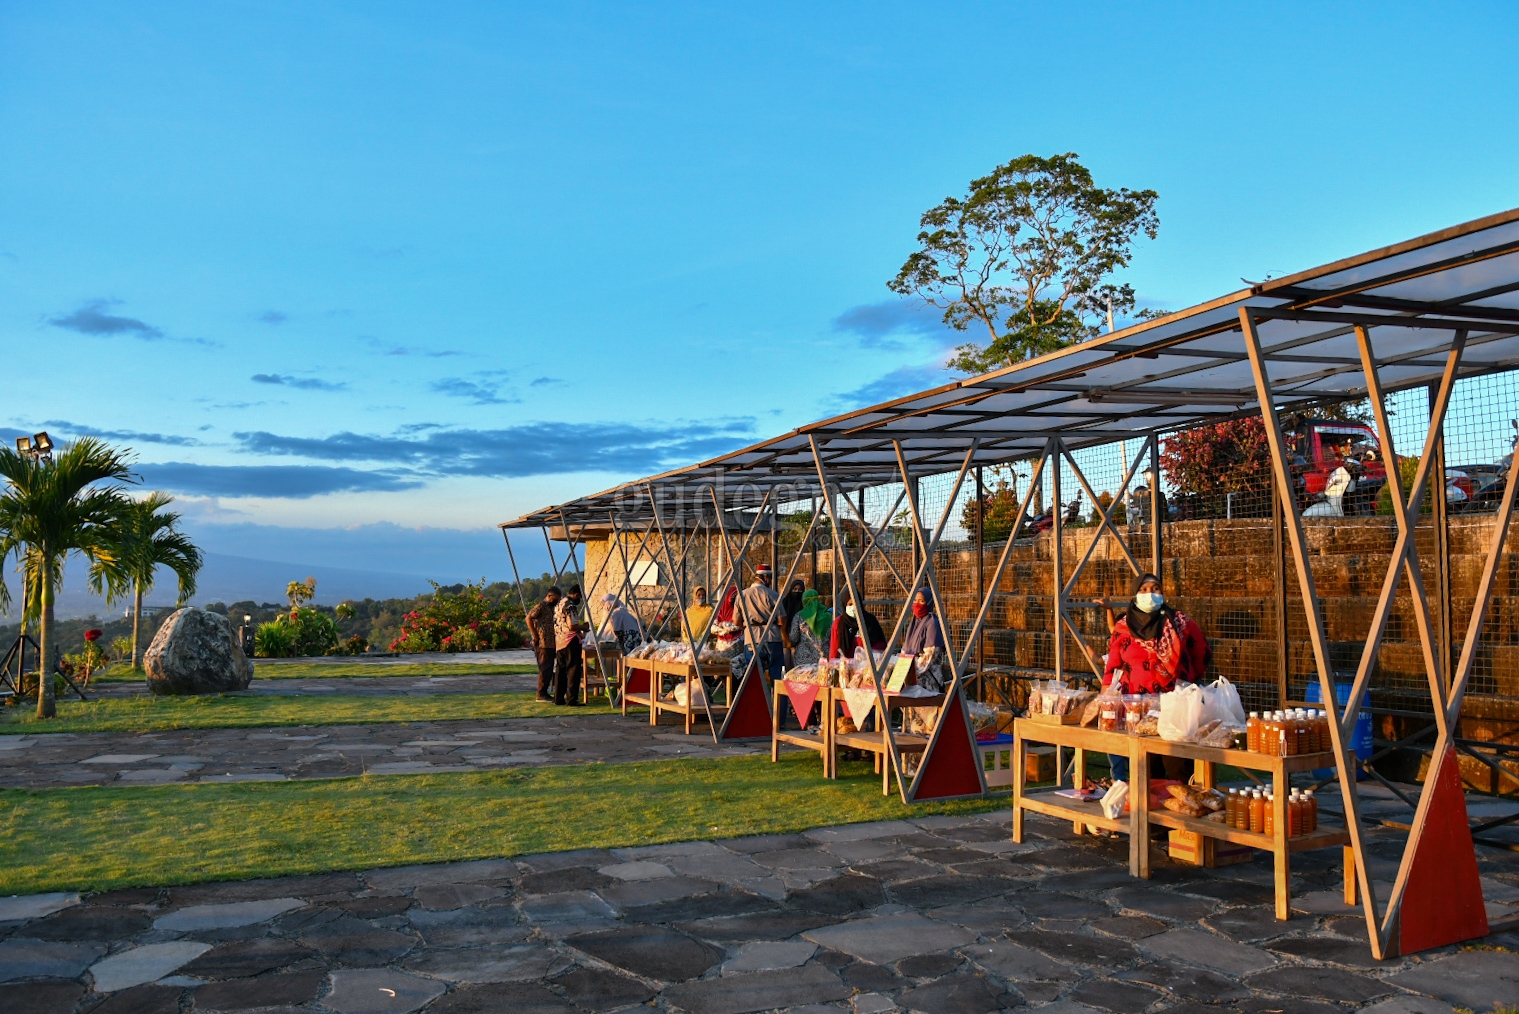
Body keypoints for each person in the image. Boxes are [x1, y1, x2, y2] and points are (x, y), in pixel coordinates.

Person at [1099, 572, 1210, 781]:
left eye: (1155, 589)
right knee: (1146, 769)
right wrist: (1106, 698)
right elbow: (1112, 665)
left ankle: (1186, 807)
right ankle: (1149, 811)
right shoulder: (1123, 627)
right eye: (1143, 590)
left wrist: (1189, 679)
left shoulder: (1180, 623)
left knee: (1178, 765)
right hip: (1137, 710)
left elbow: (1201, 653)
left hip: (1175, 707)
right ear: (1135, 595)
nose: (1150, 594)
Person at [735, 564, 785, 683]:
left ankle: (755, 701)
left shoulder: (742, 595)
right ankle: (779, 701)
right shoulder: (773, 595)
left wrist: (747, 626)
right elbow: (782, 619)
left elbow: (736, 621)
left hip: (751, 638)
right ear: (766, 577)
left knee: (753, 677)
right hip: (772, 637)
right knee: (777, 675)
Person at [901, 587, 947, 691]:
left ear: (929, 603)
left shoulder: (932, 624)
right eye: (915, 600)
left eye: (922, 601)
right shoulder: (914, 624)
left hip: (927, 683)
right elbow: (905, 650)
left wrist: (909, 669)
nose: (917, 604)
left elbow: (930, 656)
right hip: (911, 681)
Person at [553, 584, 590, 706]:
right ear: (576, 594)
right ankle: (572, 699)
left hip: (559, 640)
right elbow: (572, 626)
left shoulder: (559, 604)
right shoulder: (570, 605)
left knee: (560, 670)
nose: (579, 599)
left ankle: (558, 697)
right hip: (570, 640)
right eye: (579, 596)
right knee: (573, 670)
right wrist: (583, 627)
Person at [526, 586, 562, 703]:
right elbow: (528, 618)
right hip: (543, 642)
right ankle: (541, 693)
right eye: (555, 598)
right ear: (549, 596)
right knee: (545, 668)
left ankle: (544, 691)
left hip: (552, 642)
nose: (557, 601)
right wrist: (535, 635)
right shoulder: (541, 606)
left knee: (549, 668)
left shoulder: (552, 608)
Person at [829, 589, 886, 658]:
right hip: (846, 665)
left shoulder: (870, 620)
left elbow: (881, 643)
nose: (853, 607)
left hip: (867, 664)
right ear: (845, 605)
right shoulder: (839, 623)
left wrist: (870, 653)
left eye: (856, 604)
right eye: (850, 604)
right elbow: (834, 649)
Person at [787, 588, 830, 666]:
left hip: (804, 659)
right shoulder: (828, 616)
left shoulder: (799, 616)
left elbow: (794, 638)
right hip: (824, 658)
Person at [780, 578, 805, 664]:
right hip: (785, 636)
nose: (797, 592)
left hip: (799, 638)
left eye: (800, 590)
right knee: (786, 662)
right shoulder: (785, 602)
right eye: (795, 589)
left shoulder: (803, 604)